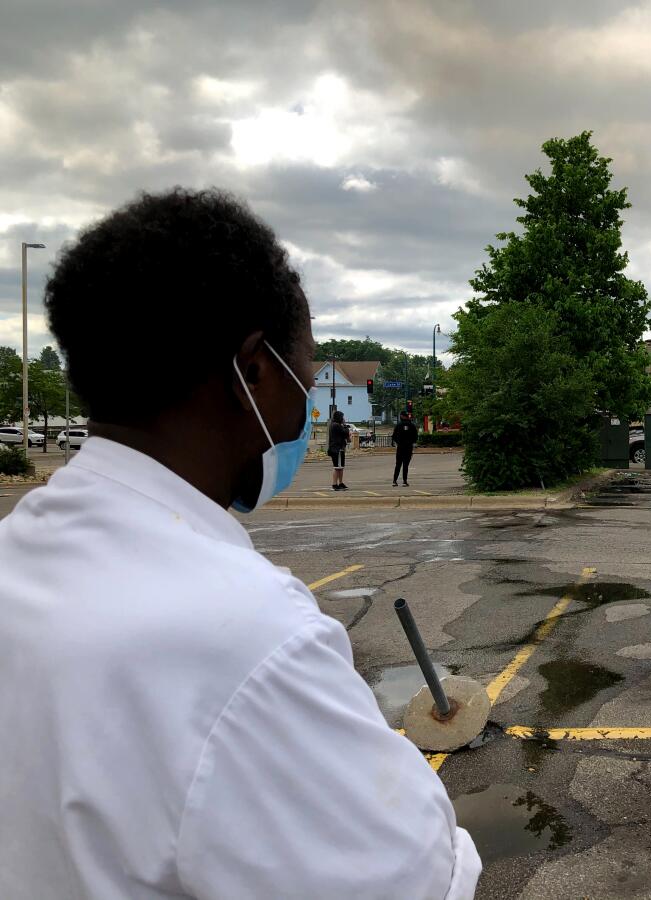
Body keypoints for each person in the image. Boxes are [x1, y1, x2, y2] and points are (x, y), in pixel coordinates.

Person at [0, 189, 480, 899]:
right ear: (253, 371)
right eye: (307, 378)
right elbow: (417, 877)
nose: (306, 406)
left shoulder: (19, 553)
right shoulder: (250, 637)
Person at [392, 410, 419, 486]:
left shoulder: (398, 425)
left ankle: (394, 481)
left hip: (400, 447)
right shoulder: (412, 426)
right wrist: (411, 443)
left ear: (401, 416)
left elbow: (394, 436)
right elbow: (416, 437)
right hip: (408, 447)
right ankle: (404, 481)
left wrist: (398, 442)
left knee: (398, 465)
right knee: (405, 465)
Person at [328, 409, 350, 491]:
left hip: (338, 448)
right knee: (337, 467)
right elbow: (345, 433)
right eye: (342, 417)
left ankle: (340, 483)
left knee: (341, 467)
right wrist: (344, 425)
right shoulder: (336, 425)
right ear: (339, 417)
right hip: (337, 449)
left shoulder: (333, 425)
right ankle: (334, 484)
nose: (343, 418)